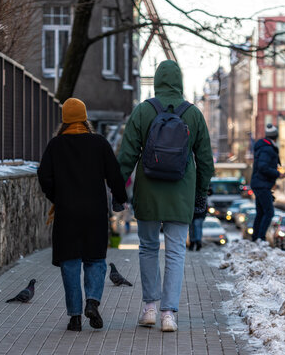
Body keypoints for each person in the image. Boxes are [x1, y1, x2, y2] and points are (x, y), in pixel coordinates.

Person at [117, 60, 214, 332]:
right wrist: (200, 195)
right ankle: (168, 313)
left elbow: (126, 156)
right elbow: (205, 160)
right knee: (175, 253)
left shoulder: (143, 111)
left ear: (158, 81)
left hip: (148, 192)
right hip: (181, 193)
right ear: (179, 81)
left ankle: (149, 308)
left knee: (148, 248)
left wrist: (118, 190)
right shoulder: (193, 114)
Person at [38, 98, 127, 332]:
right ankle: (92, 302)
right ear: (85, 118)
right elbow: (115, 174)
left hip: (67, 213)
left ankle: (75, 317)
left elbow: (44, 176)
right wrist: (120, 197)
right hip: (95, 212)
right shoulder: (99, 143)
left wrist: (57, 197)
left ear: (64, 120)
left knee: (70, 263)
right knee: (95, 260)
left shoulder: (56, 145)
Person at [250, 123, 285, 242]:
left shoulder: (264, 147)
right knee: (269, 212)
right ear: (276, 137)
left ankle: (256, 237)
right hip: (262, 184)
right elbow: (263, 167)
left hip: (259, 183)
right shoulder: (267, 149)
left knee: (261, 212)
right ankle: (260, 237)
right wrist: (277, 174)